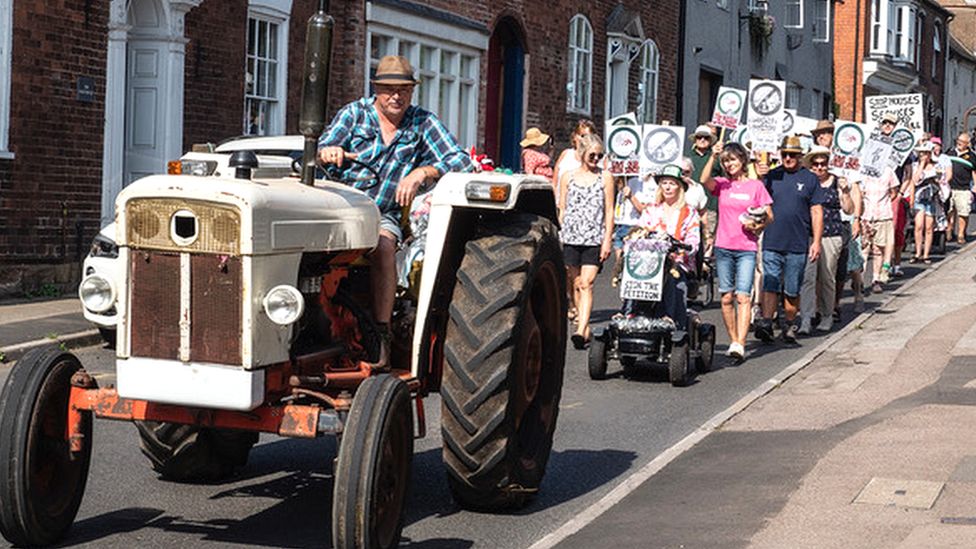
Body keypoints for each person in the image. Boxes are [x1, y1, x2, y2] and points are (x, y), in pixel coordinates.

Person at [318, 55, 474, 368]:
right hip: (341, 206)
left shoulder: (422, 122)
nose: (396, 96)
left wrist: (423, 172)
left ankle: (380, 332)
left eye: (403, 89)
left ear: (412, 92)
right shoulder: (355, 114)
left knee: (385, 245)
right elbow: (325, 146)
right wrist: (330, 151)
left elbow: (461, 160)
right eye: (388, 89)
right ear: (376, 89)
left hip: (380, 214)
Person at [701, 142, 773, 361]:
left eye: (732, 159)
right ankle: (733, 338)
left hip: (746, 248)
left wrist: (758, 226)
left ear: (742, 160)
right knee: (726, 297)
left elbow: (770, 215)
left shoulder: (755, 186)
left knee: (743, 296)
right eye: (725, 161)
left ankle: (740, 343)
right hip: (723, 246)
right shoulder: (722, 185)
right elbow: (704, 181)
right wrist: (712, 157)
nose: (729, 164)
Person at [754, 136, 824, 344]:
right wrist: (759, 178)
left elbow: (817, 211)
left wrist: (817, 241)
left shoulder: (810, 179)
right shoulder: (772, 176)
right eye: (784, 154)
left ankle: (789, 324)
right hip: (772, 240)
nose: (788, 158)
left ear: (800, 156)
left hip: (797, 242)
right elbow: (756, 200)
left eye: (792, 154)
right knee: (770, 283)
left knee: (792, 288)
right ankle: (767, 322)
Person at [625, 164, 701, 331]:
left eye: (672, 183)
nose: (667, 187)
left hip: (677, 262)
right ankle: (628, 313)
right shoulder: (651, 210)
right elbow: (640, 230)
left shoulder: (689, 213)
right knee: (632, 273)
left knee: (673, 279)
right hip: (649, 261)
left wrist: (685, 247)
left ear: (680, 187)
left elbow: (693, 240)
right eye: (665, 183)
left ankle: (669, 317)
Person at [559, 133, 615, 349]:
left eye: (600, 156)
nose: (596, 159)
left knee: (587, 283)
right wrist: (560, 233)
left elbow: (609, 211)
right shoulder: (568, 177)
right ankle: (585, 326)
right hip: (572, 236)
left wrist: (607, 239)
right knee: (575, 283)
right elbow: (563, 208)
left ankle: (582, 329)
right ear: (582, 154)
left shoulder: (605, 177)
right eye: (592, 155)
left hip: (593, 237)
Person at [798, 146, 854, 333]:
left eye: (823, 164)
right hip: (809, 234)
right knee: (808, 278)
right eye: (816, 164)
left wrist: (845, 192)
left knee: (827, 276)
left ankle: (827, 314)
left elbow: (849, 209)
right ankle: (806, 316)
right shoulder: (806, 182)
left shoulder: (837, 182)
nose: (820, 168)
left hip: (831, 233)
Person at [611, 172, 656, 287]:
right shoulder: (626, 181)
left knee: (631, 267)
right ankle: (625, 293)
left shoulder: (649, 184)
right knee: (620, 267)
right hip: (620, 225)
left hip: (633, 227)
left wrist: (631, 196)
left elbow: (646, 211)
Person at [688, 124, 722, 257]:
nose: (702, 140)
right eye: (699, 137)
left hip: (710, 205)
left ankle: (705, 269)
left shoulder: (717, 158)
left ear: (711, 140)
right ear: (695, 139)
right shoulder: (687, 157)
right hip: (690, 204)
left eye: (706, 138)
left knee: (708, 238)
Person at [906, 142, 941, 263]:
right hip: (919, 198)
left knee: (929, 227)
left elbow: (941, 180)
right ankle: (917, 252)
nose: (924, 155)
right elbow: (914, 181)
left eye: (926, 153)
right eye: (921, 153)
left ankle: (926, 254)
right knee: (918, 226)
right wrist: (921, 164)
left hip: (931, 198)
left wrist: (936, 179)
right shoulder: (916, 165)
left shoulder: (936, 165)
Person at [553, 119, 597, 199]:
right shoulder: (566, 155)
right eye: (582, 136)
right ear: (574, 137)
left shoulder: (596, 159)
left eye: (589, 136)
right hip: (560, 205)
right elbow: (554, 183)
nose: (584, 140)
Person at [946, 131, 976, 244]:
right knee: (949, 211)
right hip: (949, 187)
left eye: (962, 142)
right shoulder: (950, 152)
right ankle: (949, 231)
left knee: (963, 213)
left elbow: (974, 173)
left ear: (967, 144)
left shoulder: (972, 156)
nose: (959, 143)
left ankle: (961, 234)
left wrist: (975, 188)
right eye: (958, 141)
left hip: (963, 188)